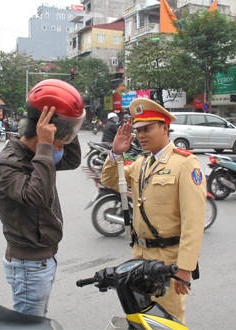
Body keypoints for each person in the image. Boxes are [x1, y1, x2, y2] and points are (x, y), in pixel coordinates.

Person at [101, 98, 206, 325]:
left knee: (168, 320)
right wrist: (116, 154)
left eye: (147, 129)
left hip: (168, 260)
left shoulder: (185, 163)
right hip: (140, 256)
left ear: (165, 128)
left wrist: (185, 268)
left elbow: (194, 222)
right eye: (138, 130)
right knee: (143, 319)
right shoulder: (142, 163)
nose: (141, 135)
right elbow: (110, 180)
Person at [0, 79, 84, 317]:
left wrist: (66, 128)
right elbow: (36, 197)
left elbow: (72, 161)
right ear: (45, 129)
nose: (68, 136)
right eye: (66, 130)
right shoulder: (7, 163)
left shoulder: (41, 155)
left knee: (37, 322)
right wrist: (45, 145)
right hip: (28, 266)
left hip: (43, 260)